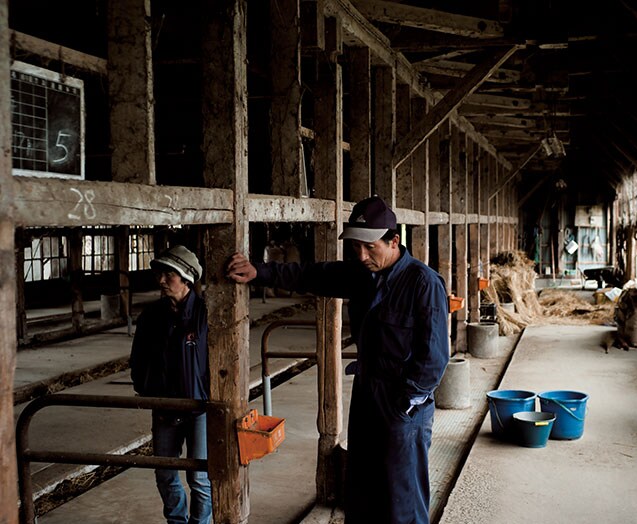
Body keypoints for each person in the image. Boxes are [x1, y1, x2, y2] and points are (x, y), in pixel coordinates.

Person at [227, 196, 450, 524]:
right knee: (360, 491)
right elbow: (312, 275)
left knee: (401, 497)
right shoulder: (362, 274)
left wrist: (406, 404)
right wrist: (258, 271)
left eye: (369, 247)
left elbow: (434, 357)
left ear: (394, 241)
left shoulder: (422, 283)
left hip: (403, 403)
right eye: (356, 247)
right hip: (367, 392)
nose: (361, 255)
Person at [130, 245, 212, 524]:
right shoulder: (151, 316)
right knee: (164, 472)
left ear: (187, 277)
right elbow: (138, 357)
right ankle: (177, 521)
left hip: (199, 406)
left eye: (169, 274)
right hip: (164, 405)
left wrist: (209, 392)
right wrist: (146, 387)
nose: (162, 280)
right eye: (160, 275)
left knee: (199, 475)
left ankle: (200, 523)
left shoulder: (206, 314)